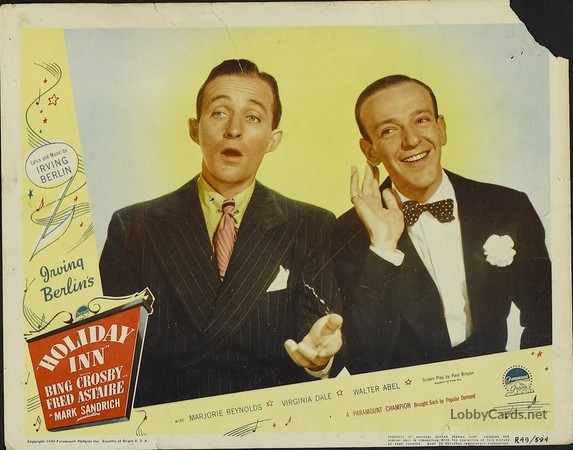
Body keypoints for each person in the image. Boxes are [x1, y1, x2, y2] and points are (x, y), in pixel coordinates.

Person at [99, 59, 343, 406]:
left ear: (273, 139)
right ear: (194, 129)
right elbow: (114, 363)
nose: (234, 130)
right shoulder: (133, 226)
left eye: (253, 117)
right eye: (219, 113)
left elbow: (316, 342)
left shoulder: (311, 225)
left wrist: (318, 362)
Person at [334, 74, 552, 374]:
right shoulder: (344, 234)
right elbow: (364, 360)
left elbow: (549, 316)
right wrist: (383, 247)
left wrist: (529, 380)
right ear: (370, 151)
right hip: (408, 398)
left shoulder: (508, 206)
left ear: (441, 129)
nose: (412, 140)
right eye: (389, 130)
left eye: (421, 120)